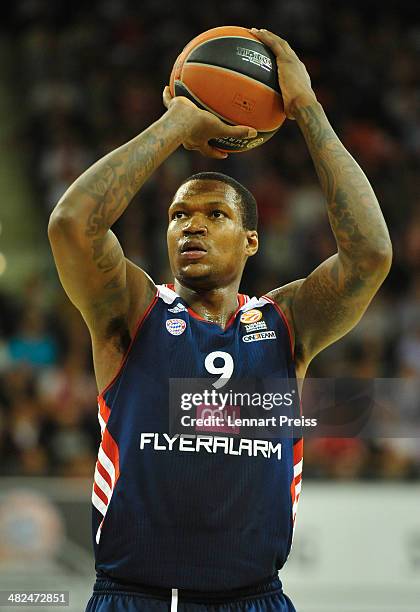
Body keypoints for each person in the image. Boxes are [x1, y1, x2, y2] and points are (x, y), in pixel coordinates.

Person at [48, 28, 392, 612]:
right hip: (133, 598)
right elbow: (71, 225)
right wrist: (179, 121)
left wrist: (306, 109)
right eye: (179, 213)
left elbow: (370, 256)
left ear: (252, 240)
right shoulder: (132, 312)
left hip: (253, 599)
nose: (192, 225)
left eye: (214, 214)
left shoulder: (287, 322)